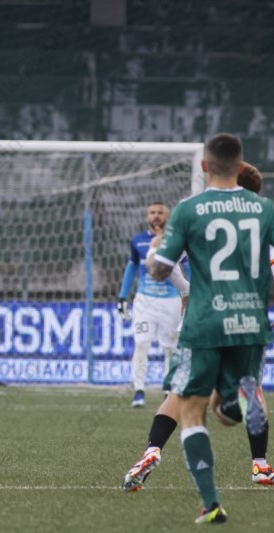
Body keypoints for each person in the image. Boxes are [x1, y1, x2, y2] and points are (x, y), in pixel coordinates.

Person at [121, 162, 274, 493]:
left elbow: (166, 262)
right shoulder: (261, 223)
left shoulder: (199, 216)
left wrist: (186, 291)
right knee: (250, 391)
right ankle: (260, 464)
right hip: (245, 321)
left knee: (181, 393)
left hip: (202, 316)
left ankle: (151, 450)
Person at [117, 202, 185, 408]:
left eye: (160, 213)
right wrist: (122, 297)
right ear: (147, 216)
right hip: (145, 302)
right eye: (152, 213)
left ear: (167, 217)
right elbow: (131, 268)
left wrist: (190, 294)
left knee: (170, 348)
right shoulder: (138, 241)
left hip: (172, 302)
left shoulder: (177, 240)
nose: (156, 216)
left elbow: (188, 269)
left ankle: (168, 392)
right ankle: (139, 391)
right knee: (141, 344)